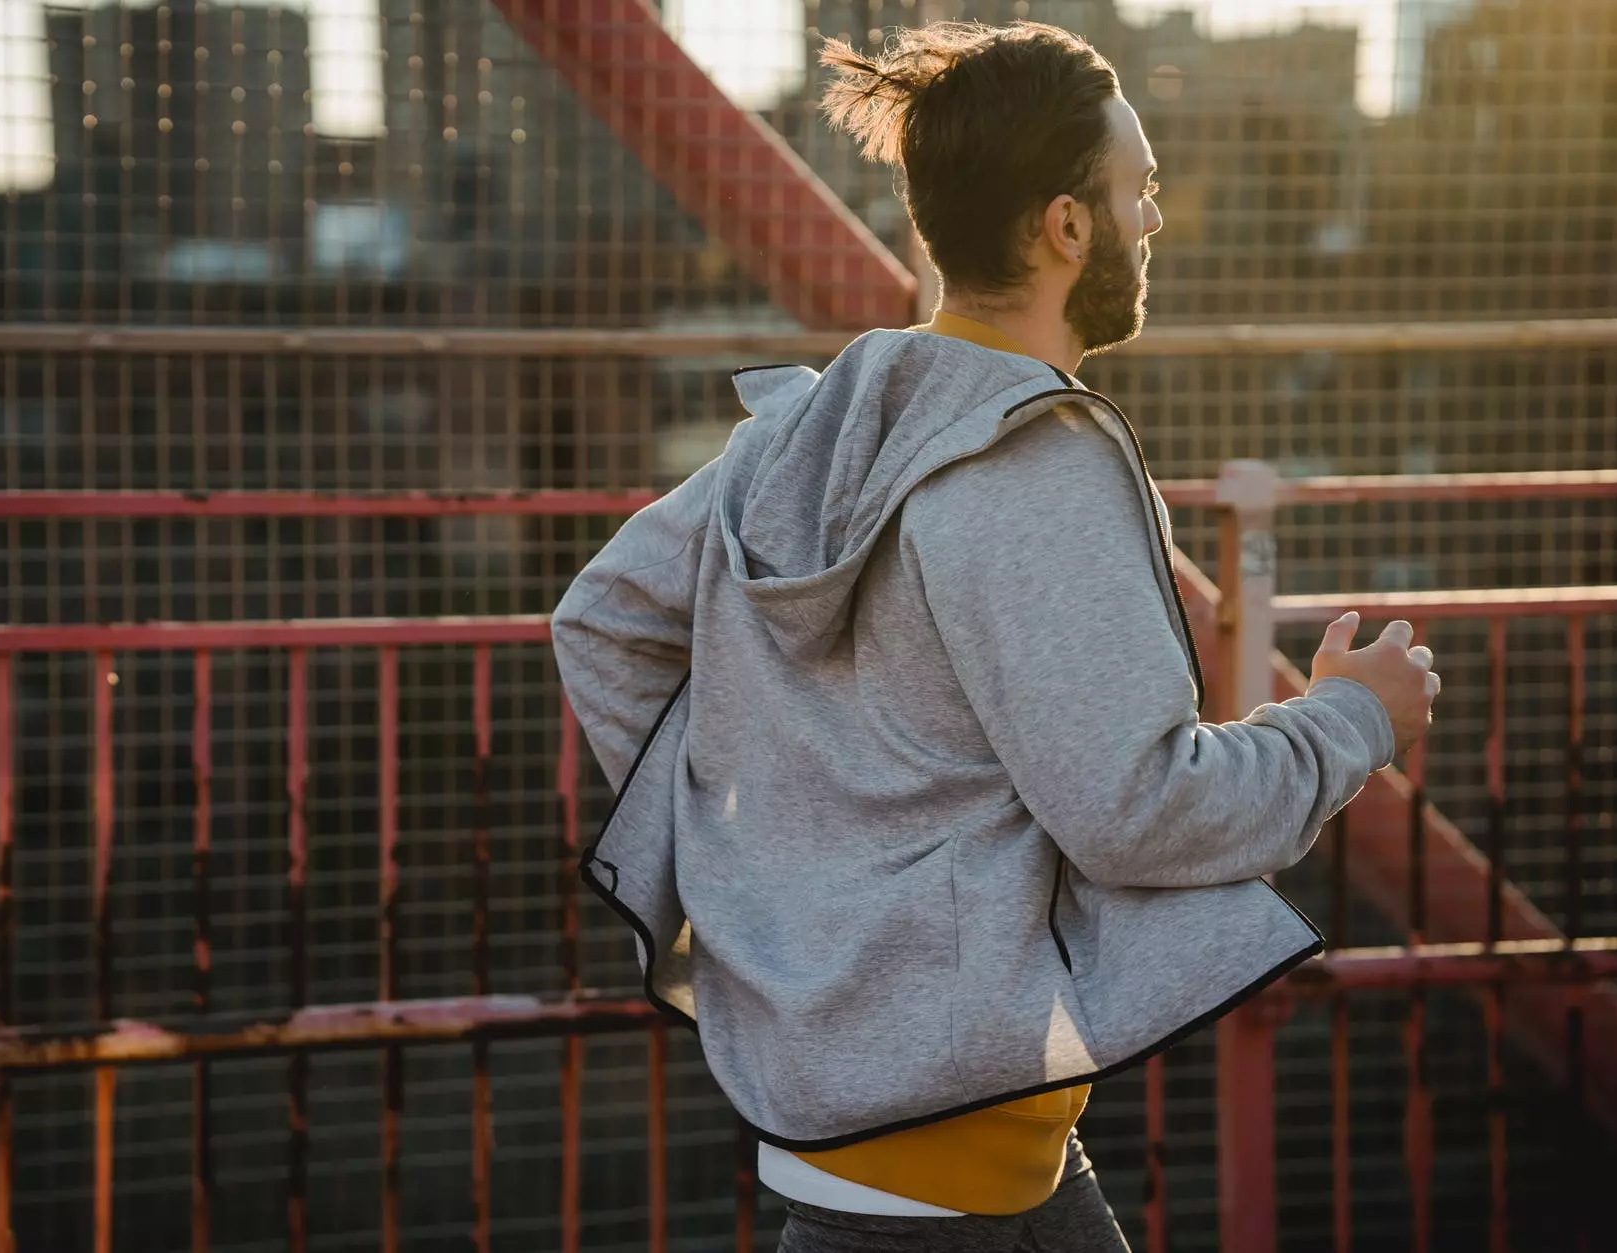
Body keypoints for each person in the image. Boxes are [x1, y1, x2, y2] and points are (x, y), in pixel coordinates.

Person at [551, 20, 1439, 1252]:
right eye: (1138, 189)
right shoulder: (1035, 461)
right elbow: (1137, 805)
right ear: (1065, 227)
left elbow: (600, 622)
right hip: (940, 1160)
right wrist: (1350, 719)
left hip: (921, 1132)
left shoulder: (813, 424)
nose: (1153, 219)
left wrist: (764, 871)